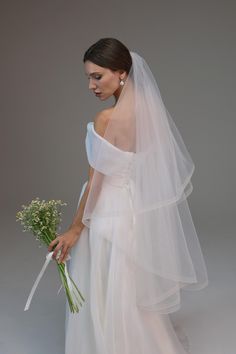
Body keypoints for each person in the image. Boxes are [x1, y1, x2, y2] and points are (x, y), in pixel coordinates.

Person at [48, 38, 208, 354]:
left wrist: (76, 227)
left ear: (121, 72)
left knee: (108, 281)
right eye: (88, 77)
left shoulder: (107, 119)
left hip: (106, 206)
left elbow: (95, 181)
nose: (91, 85)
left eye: (98, 76)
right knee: (128, 279)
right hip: (135, 205)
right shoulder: (151, 110)